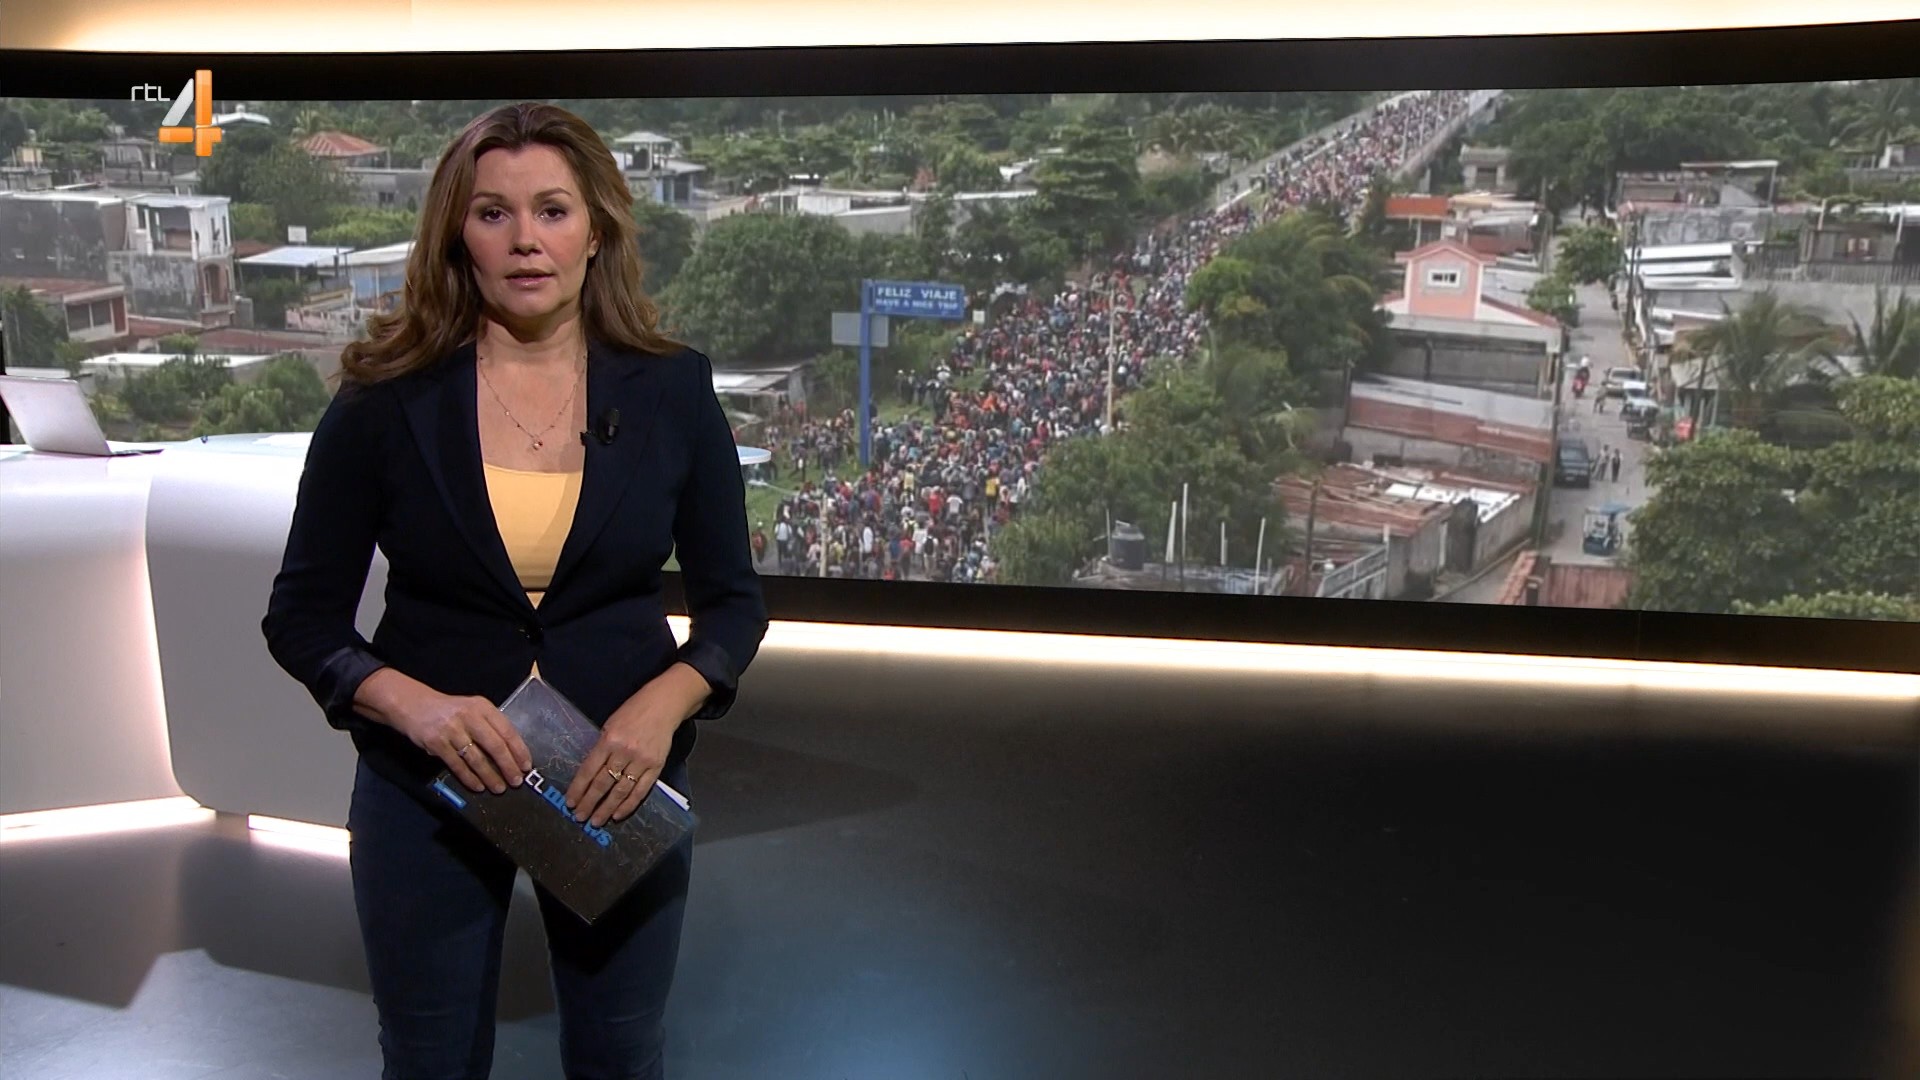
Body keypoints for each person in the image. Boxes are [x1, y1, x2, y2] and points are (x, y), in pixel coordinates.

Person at [261, 102, 768, 1080]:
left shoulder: (670, 390)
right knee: (431, 1058)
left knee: (620, 1052)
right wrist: (418, 709)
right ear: (458, 233)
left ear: (597, 231)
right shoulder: (384, 399)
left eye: (552, 210)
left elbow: (734, 605)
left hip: (614, 776)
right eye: (494, 213)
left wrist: (661, 708)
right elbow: (303, 618)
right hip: (426, 781)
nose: (526, 239)